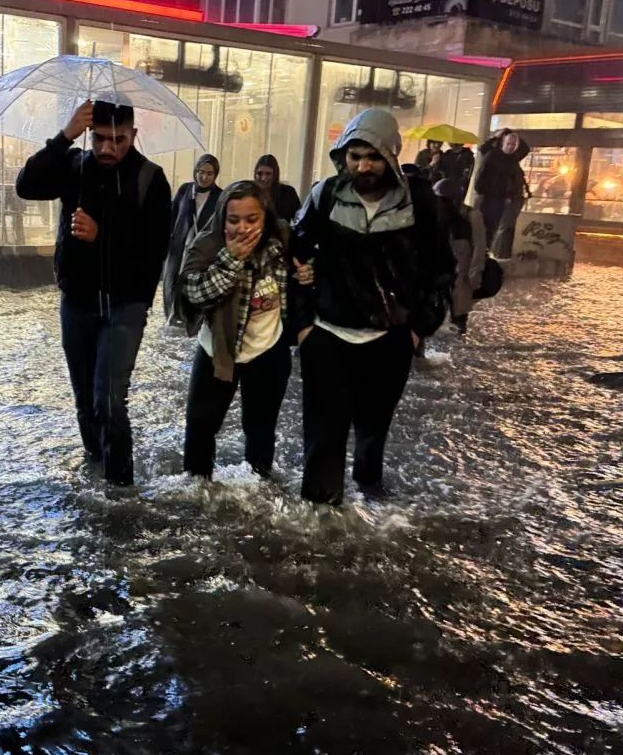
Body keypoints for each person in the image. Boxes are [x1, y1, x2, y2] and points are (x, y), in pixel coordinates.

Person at [290, 107, 455, 504]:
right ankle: (319, 520)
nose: (363, 166)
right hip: (327, 335)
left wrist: (417, 330)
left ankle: (371, 515)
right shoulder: (325, 195)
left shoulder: (420, 203)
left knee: (372, 436)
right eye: (355, 156)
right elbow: (293, 255)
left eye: (373, 157)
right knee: (323, 440)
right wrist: (302, 326)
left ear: (391, 155)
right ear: (342, 156)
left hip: (390, 340)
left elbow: (442, 269)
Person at [15, 99, 172, 486]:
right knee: (85, 399)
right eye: (99, 138)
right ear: (89, 134)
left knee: (109, 400)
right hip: (78, 301)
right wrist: (64, 137)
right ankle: (96, 472)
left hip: (125, 306)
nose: (107, 148)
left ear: (133, 135)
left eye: (118, 140)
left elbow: (154, 253)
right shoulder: (75, 166)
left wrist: (102, 237)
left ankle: (120, 488)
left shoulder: (150, 179)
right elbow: (26, 186)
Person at [179, 180, 292, 479]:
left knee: (260, 430)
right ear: (222, 219)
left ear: (265, 217)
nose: (243, 228)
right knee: (200, 428)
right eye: (233, 220)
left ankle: (260, 488)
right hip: (217, 351)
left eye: (252, 219)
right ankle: (198, 491)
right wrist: (231, 261)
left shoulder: (282, 239)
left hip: (269, 349)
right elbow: (194, 294)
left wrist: (307, 272)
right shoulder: (206, 245)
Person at [162, 153, 221, 326]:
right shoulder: (186, 190)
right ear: (195, 172)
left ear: (215, 175)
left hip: (202, 250)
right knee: (172, 281)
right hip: (179, 246)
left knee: (193, 284)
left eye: (209, 173)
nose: (204, 177)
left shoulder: (220, 196)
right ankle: (172, 316)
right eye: (201, 172)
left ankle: (190, 319)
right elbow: (172, 216)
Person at [434, 177, 485, 334]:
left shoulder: (472, 215)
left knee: (459, 315)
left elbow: (479, 245)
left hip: (461, 274)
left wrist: (475, 274)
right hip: (441, 271)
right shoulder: (435, 214)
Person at [474, 129, 529, 259]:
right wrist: (496, 136)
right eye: (508, 144)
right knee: (488, 226)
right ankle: (483, 252)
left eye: (513, 145)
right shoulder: (492, 156)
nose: (511, 147)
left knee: (501, 227)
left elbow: (525, 149)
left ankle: (495, 253)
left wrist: (511, 133)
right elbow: (482, 150)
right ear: (503, 143)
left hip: (505, 199)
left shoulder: (513, 159)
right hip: (490, 197)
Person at [254, 154, 302, 223]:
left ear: (275, 175)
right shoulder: (249, 193)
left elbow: (299, 220)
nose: (263, 178)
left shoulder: (288, 193)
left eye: (268, 174)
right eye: (259, 173)